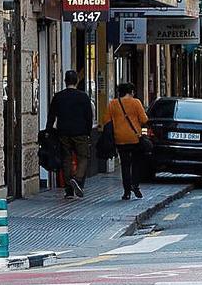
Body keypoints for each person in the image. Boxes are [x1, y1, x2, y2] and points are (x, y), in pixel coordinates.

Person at [47, 70, 93, 199]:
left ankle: (68, 188)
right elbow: (89, 116)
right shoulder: (83, 96)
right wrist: (88, 132)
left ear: (65, 81)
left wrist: (48, 130)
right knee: (83, 157)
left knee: (66, 158)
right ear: (76, 81)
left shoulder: (58, 96)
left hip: (63, 132)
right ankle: (77, 179)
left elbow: (51, 115)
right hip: (80, 132)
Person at [102, 83, 149, 200]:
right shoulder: (136, 102)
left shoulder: (113, 103)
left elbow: (106, 120)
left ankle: (126, 192)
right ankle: (135, 185)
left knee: (125, 165)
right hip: (134, 138)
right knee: (136, 163)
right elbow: (144, 119)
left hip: (120, 139)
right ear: (131, 92)